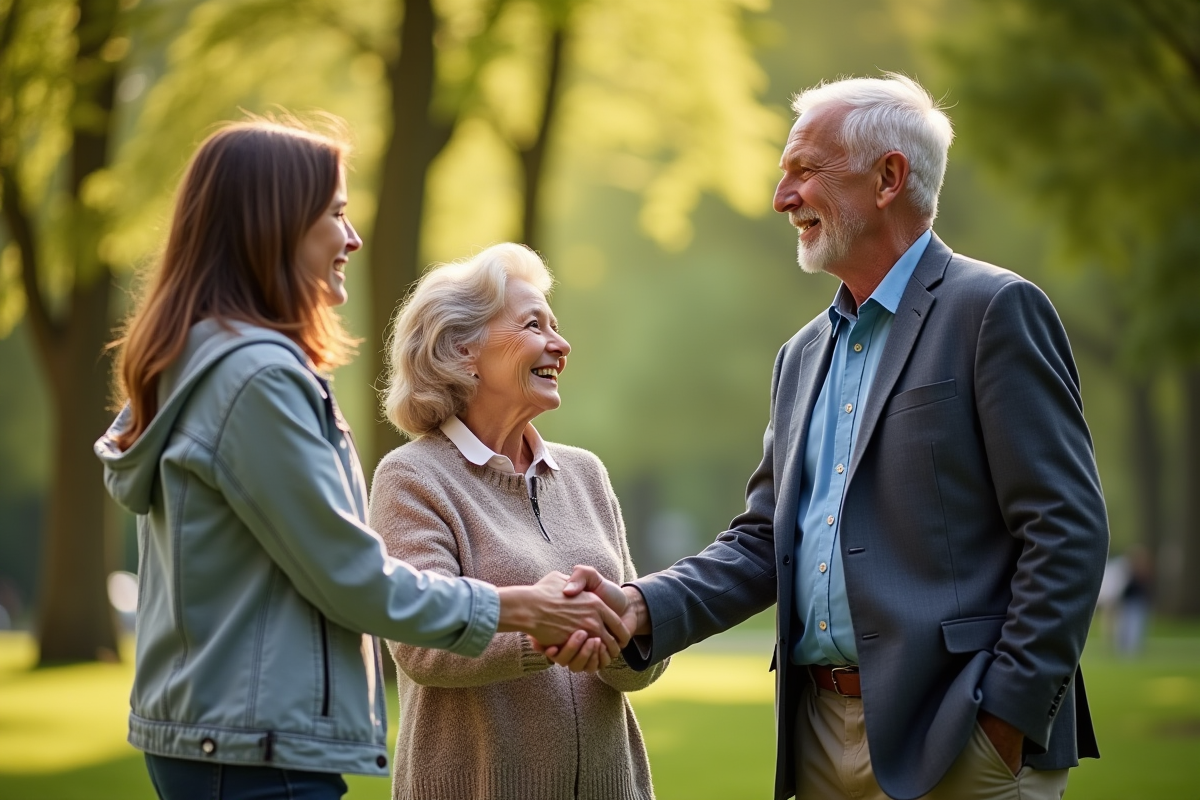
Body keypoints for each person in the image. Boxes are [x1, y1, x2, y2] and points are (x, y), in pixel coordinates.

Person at [552, 74, 1110, 800]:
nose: (783, 199)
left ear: (888, 178)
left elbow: (1067, 527)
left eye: (804, 172)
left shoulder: (994, 311)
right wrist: (640, 606)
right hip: (815, 739)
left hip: (963, 739)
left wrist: (1006, 716)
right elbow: (763, 542)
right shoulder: (801, 354)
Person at [94, 119, 628, 800]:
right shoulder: (256, 378)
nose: (353, 237)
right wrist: (523, 610)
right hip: (253, 748)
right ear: (276, 225)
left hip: (232, 740)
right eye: (337, 214)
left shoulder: (213, 363)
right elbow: (350, 574)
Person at [369, 242, 667, 800]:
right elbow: (420, 646)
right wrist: (544, 631)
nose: (562, 343)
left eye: (556, 325)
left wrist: (628, 636)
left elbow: (639, 660)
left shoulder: (585, 474)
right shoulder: (412, 478)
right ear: (462, 351)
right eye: (534, 325)